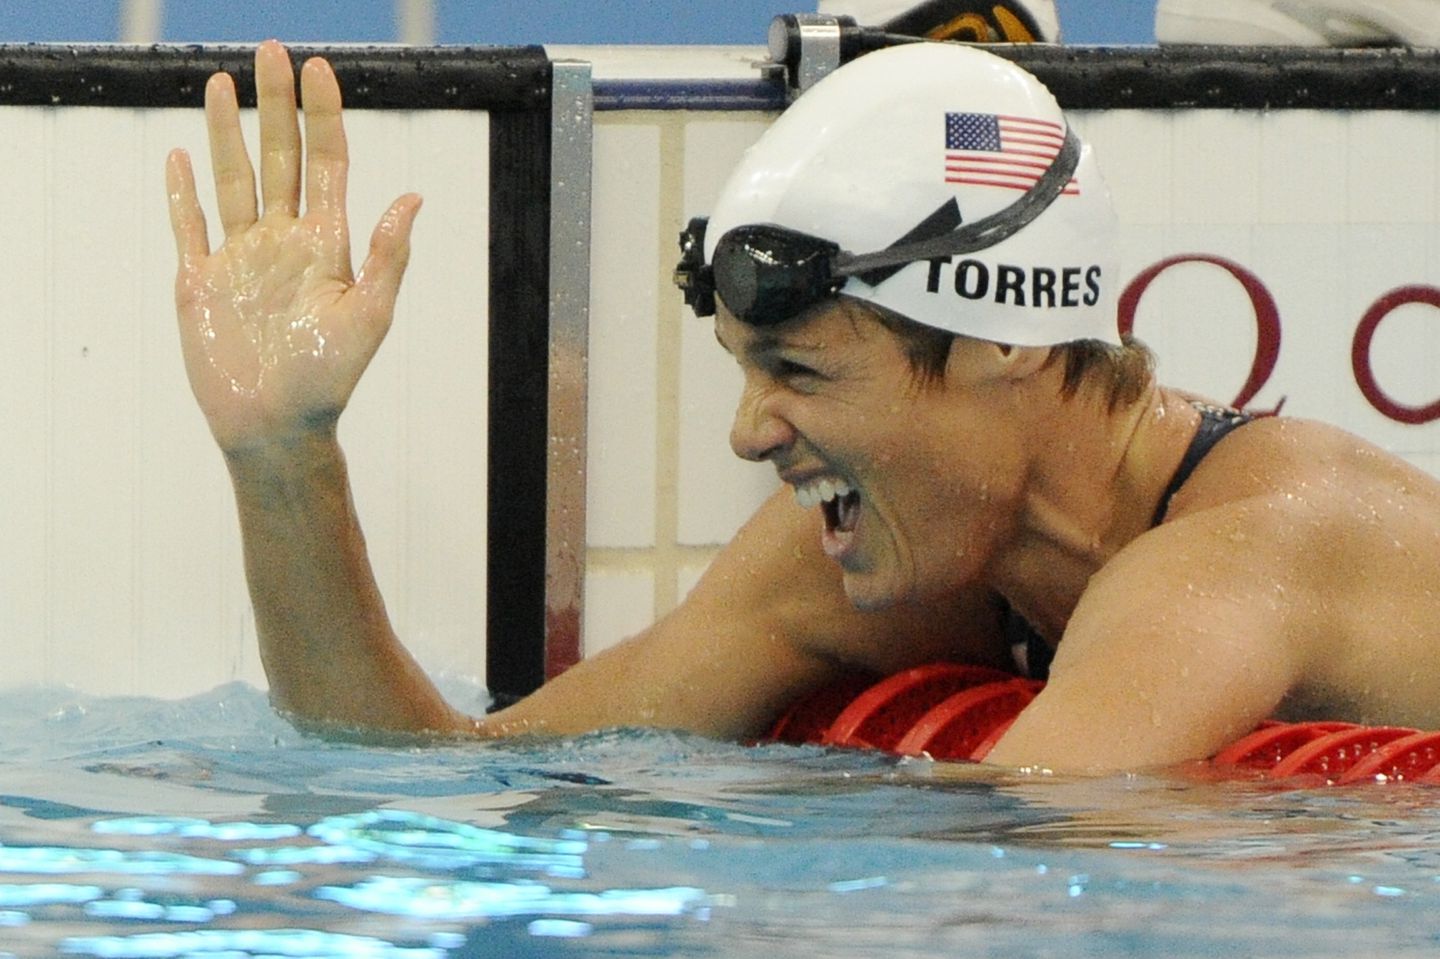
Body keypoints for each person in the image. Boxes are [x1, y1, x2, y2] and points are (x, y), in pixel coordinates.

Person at [167, 39, 1440, 773]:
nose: (747, 431)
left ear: (1006, 345)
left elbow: (1029, 879)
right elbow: (453, 776)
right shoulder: (875, 555)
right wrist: (286, 458)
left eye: (802, 372)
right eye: (741, 368)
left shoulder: (1236, 558)